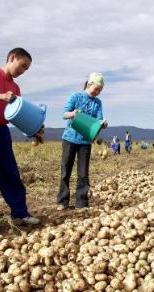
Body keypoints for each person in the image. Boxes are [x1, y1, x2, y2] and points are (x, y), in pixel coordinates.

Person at [0, 47, 40, 235]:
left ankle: (20, 213)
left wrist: (34, 129)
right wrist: (2, 96)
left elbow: (16, 115)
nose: (23, 71)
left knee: (10, 172)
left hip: (2, 130)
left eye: (26, 69)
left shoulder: (16, 88)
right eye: (22, 66)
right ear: (12, 58)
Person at [56, 72, 107, 210]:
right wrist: (73, 113)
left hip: (85, 141)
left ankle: (81, 203)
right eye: (96, 89)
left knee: (83, 173)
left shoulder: (98, 103)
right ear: (89, 84)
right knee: (66, 170)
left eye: (100, 90)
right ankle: (62, 201)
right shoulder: (75, 96)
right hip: (70, 138)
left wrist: (102, 124)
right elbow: (64, 114)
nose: (98, 92)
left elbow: (98, 121)